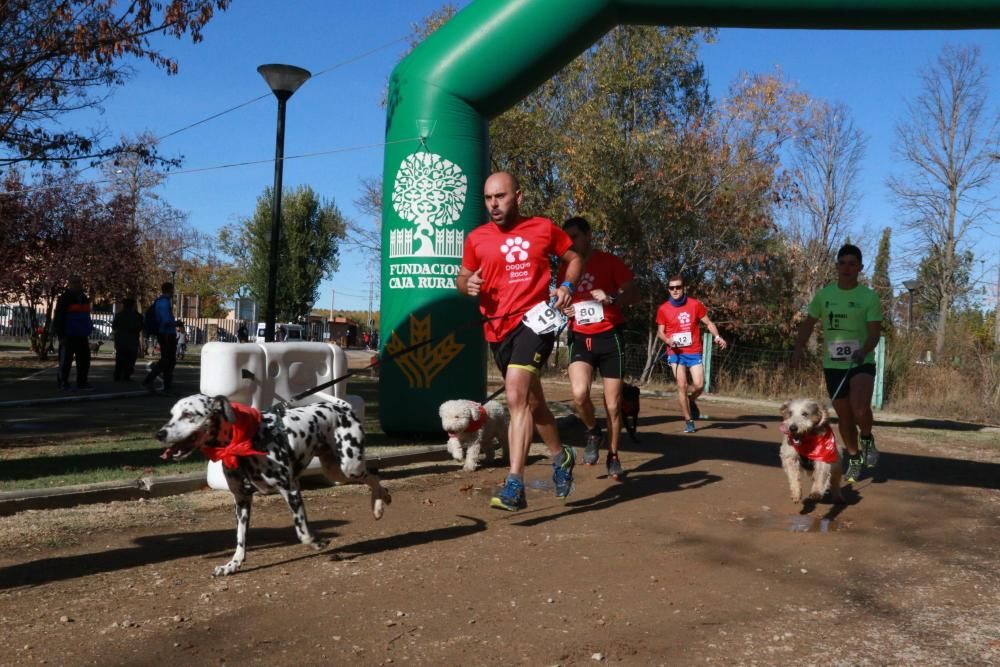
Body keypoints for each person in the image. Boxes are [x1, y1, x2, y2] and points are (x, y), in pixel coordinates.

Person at [457, 171, 583, 511]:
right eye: (488, 198)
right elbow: (464, 275)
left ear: (519, 196)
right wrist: (466, 285)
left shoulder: (542, 228)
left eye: (501, 196)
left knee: (515, 392)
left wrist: (567, 286)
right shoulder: (477, 238)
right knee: (533, 404)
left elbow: (573, 258)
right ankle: (561, 457)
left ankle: (515, 484)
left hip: (535, 323)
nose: (494, 204)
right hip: (498, 330)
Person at [791, 243, 882, 484]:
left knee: (859, 408)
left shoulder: (868, 297)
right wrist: (798, 348)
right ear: (837, 266)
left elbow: (874, 333)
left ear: (860, 268)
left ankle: (867, 437)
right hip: (833, 364)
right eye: (842, 263)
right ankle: (853, 456)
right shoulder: (825, 295)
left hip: (861, 361)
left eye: (852, 264)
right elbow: (809, 323)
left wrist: (863, 350)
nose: (847, 268)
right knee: (844, 416)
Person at [558, 216, 638, 480]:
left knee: (613, 406)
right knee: (579, 395)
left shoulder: (608, 261)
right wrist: (564, 306)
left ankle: (613, 454)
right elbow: (560, 297)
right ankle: (593, 430)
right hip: (580, 336)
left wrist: (611, 296)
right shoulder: (566, 265)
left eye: (575, 236)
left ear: (588, 235)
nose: (571, 242)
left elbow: (634, 292)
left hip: (608, 337)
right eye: (567, 238)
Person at [655, 276, 727, 434]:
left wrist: (717, 336)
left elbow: (708, 323)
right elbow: (660, 332)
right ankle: (689, 421)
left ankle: (691, 400)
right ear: (668, 289)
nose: (675, 290)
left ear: (683, 288)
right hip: (675, 352)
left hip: (694, 351)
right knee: (681, 385)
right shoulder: (663, 309)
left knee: (699, 385)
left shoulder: (695, 305)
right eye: (671, 288)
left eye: (678, 287)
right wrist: (668, 340)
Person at [52, 275, 95, 391]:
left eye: (79, 282)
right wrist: (61, 336)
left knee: (84, 361)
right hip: (68, 335)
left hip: (82, 335)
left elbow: (86, 316)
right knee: (66, 361)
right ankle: (63, 382)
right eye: (75, 282)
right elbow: (59, 318)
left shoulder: (83, 298)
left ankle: (82, 382)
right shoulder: (65, 298)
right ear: (70, 284)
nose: (78, 285)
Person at [143, 282, 178, 393]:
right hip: (166, 333)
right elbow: (166, 320)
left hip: (164, 332)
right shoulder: (164, 302)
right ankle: (149, 380)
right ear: (170, 290)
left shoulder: (160, 302)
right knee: (167, 359)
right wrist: (175, 324)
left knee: (169, 360)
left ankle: (167, 385)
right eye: (173, 290)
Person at [111, 297, 143, 381]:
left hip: (120, 339)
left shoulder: (119, 315)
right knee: (130, 359)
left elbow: (114, 326)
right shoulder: (136, 316)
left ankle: (117, 374)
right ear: (133, 306)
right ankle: (126, 375)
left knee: (120, 358)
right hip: (132, 340)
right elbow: (139, 327)